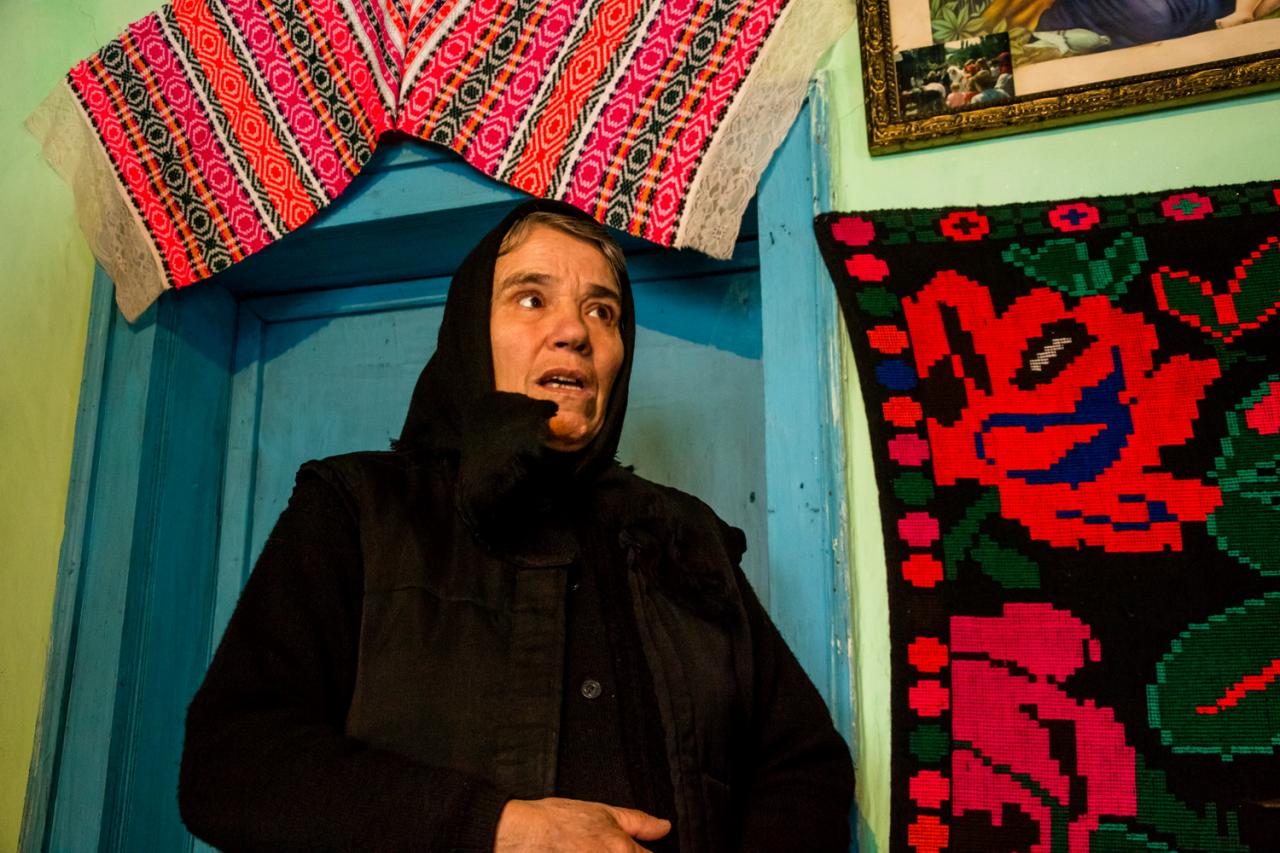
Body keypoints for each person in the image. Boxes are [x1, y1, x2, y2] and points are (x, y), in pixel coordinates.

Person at [178, 200, 855, 852]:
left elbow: (805, 763)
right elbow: (232, 761)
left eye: (602, 310)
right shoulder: (359, 508)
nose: (575, 332)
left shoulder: (686, 537)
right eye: (532, 299)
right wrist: (499, 829)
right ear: (472, 332)